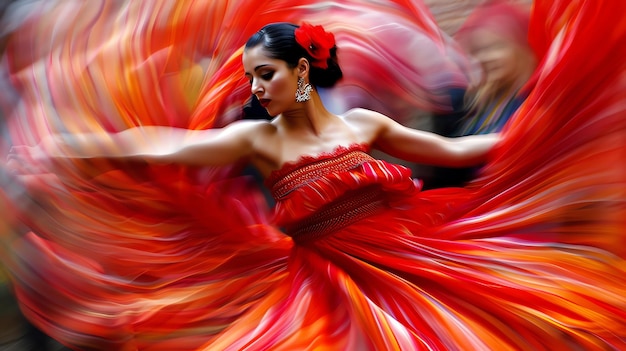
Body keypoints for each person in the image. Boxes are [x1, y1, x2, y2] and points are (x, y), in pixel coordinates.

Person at [3, 2, 626, 351]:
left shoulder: (365, 123)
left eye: (265, 74)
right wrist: (72, 144)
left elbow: (455, 151)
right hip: (334, 290)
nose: (254, 87)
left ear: (301, 73)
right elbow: (156, 148)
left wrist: (545, 126)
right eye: (251, 77)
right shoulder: (257, 138)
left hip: (428, 265)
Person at [429, 1, 536, 188]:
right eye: (480, 50)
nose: (486, 57)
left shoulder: (534, 101)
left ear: (519, 46)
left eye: (496, 47)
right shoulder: (470, 102)